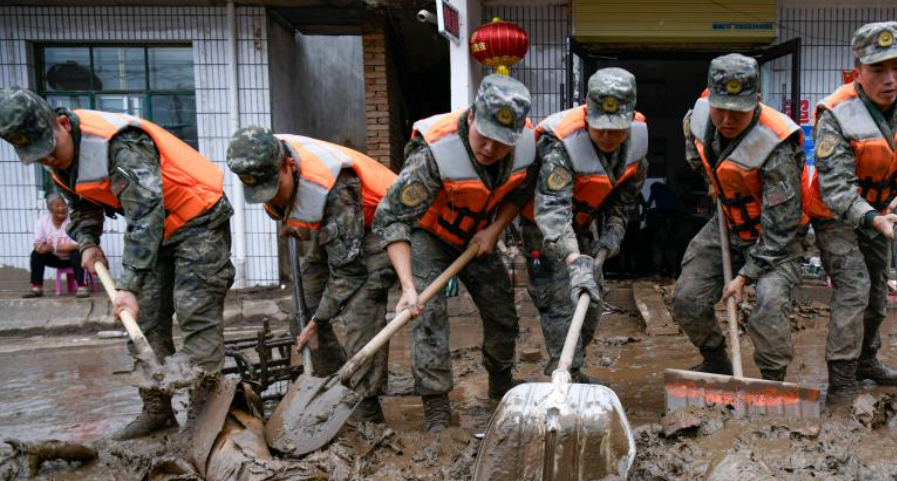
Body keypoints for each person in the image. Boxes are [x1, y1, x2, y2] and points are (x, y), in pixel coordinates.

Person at [0, 88, 234, 440]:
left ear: (61, 124)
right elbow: (80, 205)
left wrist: (128, 286)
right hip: (158, 229)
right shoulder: (59, 159)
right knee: (144, 319)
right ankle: (157, 410)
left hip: (198, 218)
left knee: (195, 313)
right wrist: (89, 243)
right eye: (38, 156)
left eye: (50, 149)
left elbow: (145, 216)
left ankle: (205, 414)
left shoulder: (121, 145)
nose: (48, 160)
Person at [373, 74, 536, 433]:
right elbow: (391, 220)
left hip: (478, 236)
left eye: (501, 142)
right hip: (430, 235)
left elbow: (520, 194)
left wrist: (494, 230)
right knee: (428, 316)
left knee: (502, 313)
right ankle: (436, 406)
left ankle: (500, 384)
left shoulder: (525, 147)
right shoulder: (435, 152)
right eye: (485, 136)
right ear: (473, 115)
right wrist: (408, 287)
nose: (491, 149)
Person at [807, 22, 897, 405]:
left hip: (888, 211)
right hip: (836, 214)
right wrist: (872, 217)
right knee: (854, 289)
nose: (889, 79)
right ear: (858, 70)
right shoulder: (836, 113)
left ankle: (866, 361)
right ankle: (841, 384)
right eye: (877, 70)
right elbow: (836, 189)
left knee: (877, 295)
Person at [227, 126, 405, 425]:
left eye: (275, 186)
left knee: (360, 309)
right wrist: (289, 220)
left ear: (290, 166)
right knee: (301, 313)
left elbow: (348, 272)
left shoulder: (336, 187)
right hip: (337, 229)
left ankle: (366, 404)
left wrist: (319, 320)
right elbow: (290, 203)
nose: (270, 195)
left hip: (380, 227)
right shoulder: (266, 155)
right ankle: (337, 384)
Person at [674, 53, 808, 382]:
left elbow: (782, 230)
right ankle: (716, 360)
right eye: (721, 109)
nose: (728, 119)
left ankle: (771, 380)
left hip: (775, 238)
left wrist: (744, 277)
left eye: (739, 111)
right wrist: (716, 181)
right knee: (687, 297)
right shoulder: (700, 119)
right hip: (730, 220)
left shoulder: (776, 147)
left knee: (769, 302)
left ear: (757, 101)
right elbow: (696, 152)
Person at [519, 67, 648, 384]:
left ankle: (573, 366)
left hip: (581, 224)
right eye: (599, 127)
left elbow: (623, 199)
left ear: (630, 120)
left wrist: (614, 231)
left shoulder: (635, 149)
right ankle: (563, 372)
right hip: (543, 227)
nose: (606, 136)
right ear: (587, 114)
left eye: (615, 129)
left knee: (590, 298)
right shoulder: (560, 146)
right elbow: (551, 210)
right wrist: (573, 259)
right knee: (559, 297)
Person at [26, 194, 89, 298]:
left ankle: (82, 287)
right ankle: (37, 288)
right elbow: (38, 241)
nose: (62, 208)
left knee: (77, 253)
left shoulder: (73, 220)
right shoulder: (42, 222)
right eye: (57, 206)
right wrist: (39, 247)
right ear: (50, 209)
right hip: (55, 258)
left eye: (64, 205)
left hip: (73, 259)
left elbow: (78, 244)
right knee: (36, 254)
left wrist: (54, 247)